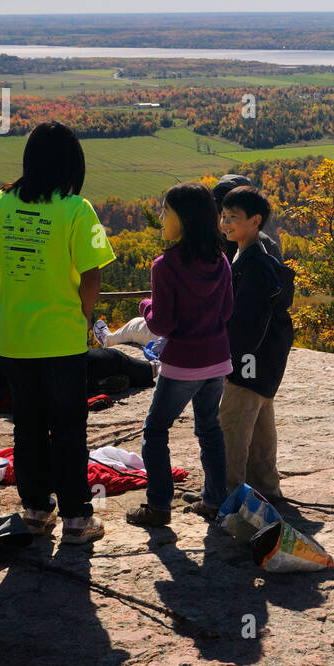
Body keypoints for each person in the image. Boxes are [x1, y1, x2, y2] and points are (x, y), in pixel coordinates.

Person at [0, 122, 117, 545]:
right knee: (69, 427)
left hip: (15, 340)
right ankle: (76, 518)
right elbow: (91, 274)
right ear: (72, 163)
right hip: (62, 340)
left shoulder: (1, 203)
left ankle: (35, 509)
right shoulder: (76, 208)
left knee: (27, 424)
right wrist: (84, 319)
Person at [125, 183, 233, 527]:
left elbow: (162, 325)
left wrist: (146, 307)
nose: (160, 217)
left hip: (184, 364)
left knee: (155, 431)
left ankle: (158, 505)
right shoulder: (221, 259)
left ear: (182, 219)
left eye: (164, 211)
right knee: (210, 429)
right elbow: (227, 310)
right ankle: (216, 500)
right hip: (217, 359)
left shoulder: (165, 264)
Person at [218, 186, 295, 499]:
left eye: (233, 217)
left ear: (256, 220)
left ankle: (226, 495)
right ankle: (265, 487)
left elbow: (248, 324)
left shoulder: (253, 265)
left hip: (250, 359)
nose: (225, 223)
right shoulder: (250, 255)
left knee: (233, 422)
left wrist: (232, 358)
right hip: (268, 358)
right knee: (261, 421)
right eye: (223, 216)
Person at [211, 174, 283, 263]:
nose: (222, 217)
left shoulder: (265, 248)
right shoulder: (206, 239)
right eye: (217, 207)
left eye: (232, 214)